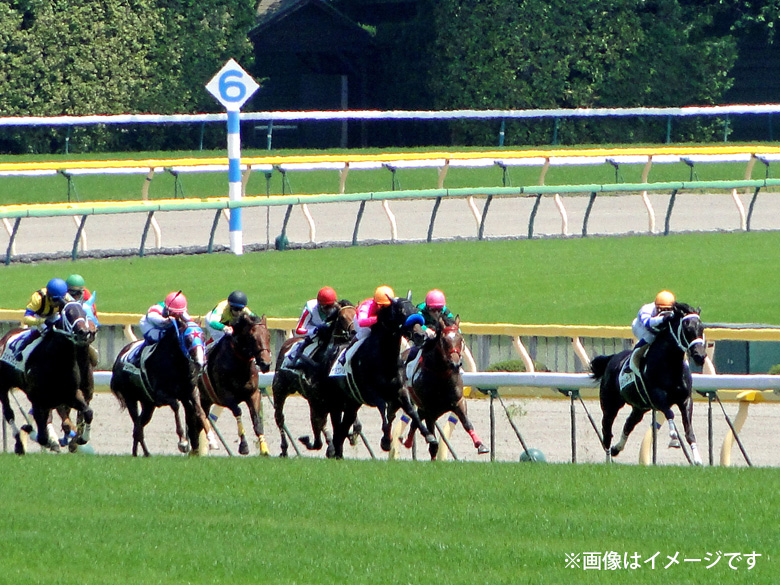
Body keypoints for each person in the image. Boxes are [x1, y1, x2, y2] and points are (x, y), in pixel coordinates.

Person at [15, 278, 73, 352]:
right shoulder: (38, 298)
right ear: (48, 295)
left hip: (53, 315)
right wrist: (42, 321)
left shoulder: (66, 298)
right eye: (55, 300)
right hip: (38, 317)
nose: (57, 303)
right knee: (45, 331)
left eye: (60, 301)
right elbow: (26, 318)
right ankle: (22, 348)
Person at [289, 286, 340, 368]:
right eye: (326, 307)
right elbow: (298, 331)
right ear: (319, 305)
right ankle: (297, 359)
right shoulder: (310, 308)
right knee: (315, 337)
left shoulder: (338, 308)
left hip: (329, 332)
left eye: (332, 306)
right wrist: (315, 330)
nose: (330, 310)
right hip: (312, 330)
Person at [405, 289, 458, 364]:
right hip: (423, 343)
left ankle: (469, 368)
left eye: (439, 310)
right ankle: (407, 369)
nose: (436, 313)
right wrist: (425, 329)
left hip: (441, 343)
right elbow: (415, 323)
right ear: (427, 308)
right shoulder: (420, 310)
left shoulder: (446, 312)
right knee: (413, 353)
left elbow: (453, 326)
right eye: (433, 310)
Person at [630, 290, 676, 374]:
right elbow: (647, 323)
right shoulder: (647, 309)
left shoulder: (674, 310)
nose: (665, 311)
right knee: (650, 337)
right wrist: (663, 319)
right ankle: (634, 359)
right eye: (662, 309)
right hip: (641, 327)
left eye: (668, 309)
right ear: (656, 306)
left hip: (657, 329)